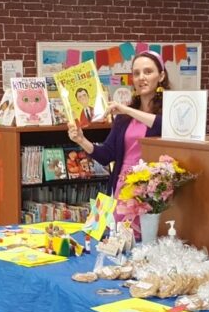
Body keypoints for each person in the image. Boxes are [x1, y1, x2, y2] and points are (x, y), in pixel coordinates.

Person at [68, 51, 169, 200]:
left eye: (148, 71)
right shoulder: (123, 118)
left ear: (161, 76)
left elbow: (162, 125)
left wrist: (127, 109)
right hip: (122, 187)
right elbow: (106, 155)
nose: (141, 77)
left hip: (153, 190)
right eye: (136, 73)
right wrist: (81, 140)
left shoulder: (171, 111)